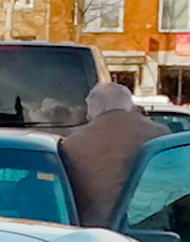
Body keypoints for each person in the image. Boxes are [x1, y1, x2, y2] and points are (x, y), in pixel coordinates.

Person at [58, 80, 158, 225]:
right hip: (152, 230)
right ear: (129, 105)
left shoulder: (72, 144)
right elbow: (184, 188)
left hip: (96, 233)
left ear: (91, 111)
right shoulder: (159, 134)